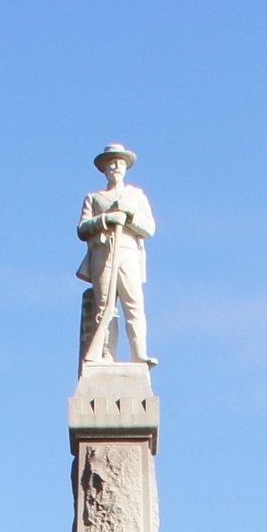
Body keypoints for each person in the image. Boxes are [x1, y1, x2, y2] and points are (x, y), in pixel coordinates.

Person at [76, 144, 155, 368]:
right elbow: (82, 228)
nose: (116, 167)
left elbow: (149, 228)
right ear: (104, 169)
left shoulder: (136, 195)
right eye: (111, 163)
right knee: (104, 307)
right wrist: (105, 220)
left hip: (128, 251)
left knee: (134, 304)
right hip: (103, 252)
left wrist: (129, 216)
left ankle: (139, 352)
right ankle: (105, 354)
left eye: (119, 162)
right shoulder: (94, 198)